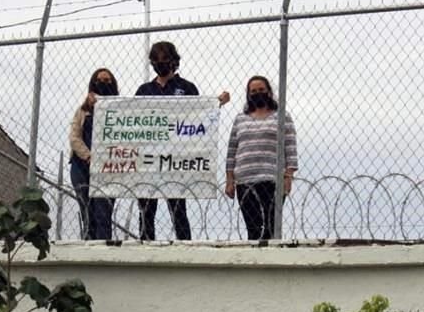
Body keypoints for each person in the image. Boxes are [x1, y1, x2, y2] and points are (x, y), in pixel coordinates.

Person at [135, 41, 230, 241]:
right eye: (156, 60)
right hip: (149, 161)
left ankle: (185, 245)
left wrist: (216, 103)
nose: (161, 63)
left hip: (176, 161)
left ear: (174, 61)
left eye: (165, 59)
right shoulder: (144, 90)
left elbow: (199, 115)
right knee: (145, 211)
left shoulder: (186, 87)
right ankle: (144, 245)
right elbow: (131, 118)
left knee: (178, 209)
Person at [224, 75, 298, 241]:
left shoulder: (282, 116)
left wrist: (289, 176)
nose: (258, 93)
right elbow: (232, 150)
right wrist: (229, 180)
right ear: (248, 95)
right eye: (254, 91)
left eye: (261, 90)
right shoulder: (240, 119)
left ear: (269, 92)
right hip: (245, 180)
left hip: (272, 179)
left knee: (271, 227)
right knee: (253, 228)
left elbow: (290, 147)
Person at [69, 68, 118, 240]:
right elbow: (74, 137)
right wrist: (89, 156)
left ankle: (104, 249)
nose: (103, 84)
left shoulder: (120, 110)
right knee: (87, 213)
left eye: (107, 81)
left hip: (107, 168)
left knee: (103, 214)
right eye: (99, 81)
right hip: (82, 165)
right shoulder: (83, 110)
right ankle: (88, 247)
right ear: (93, 84)